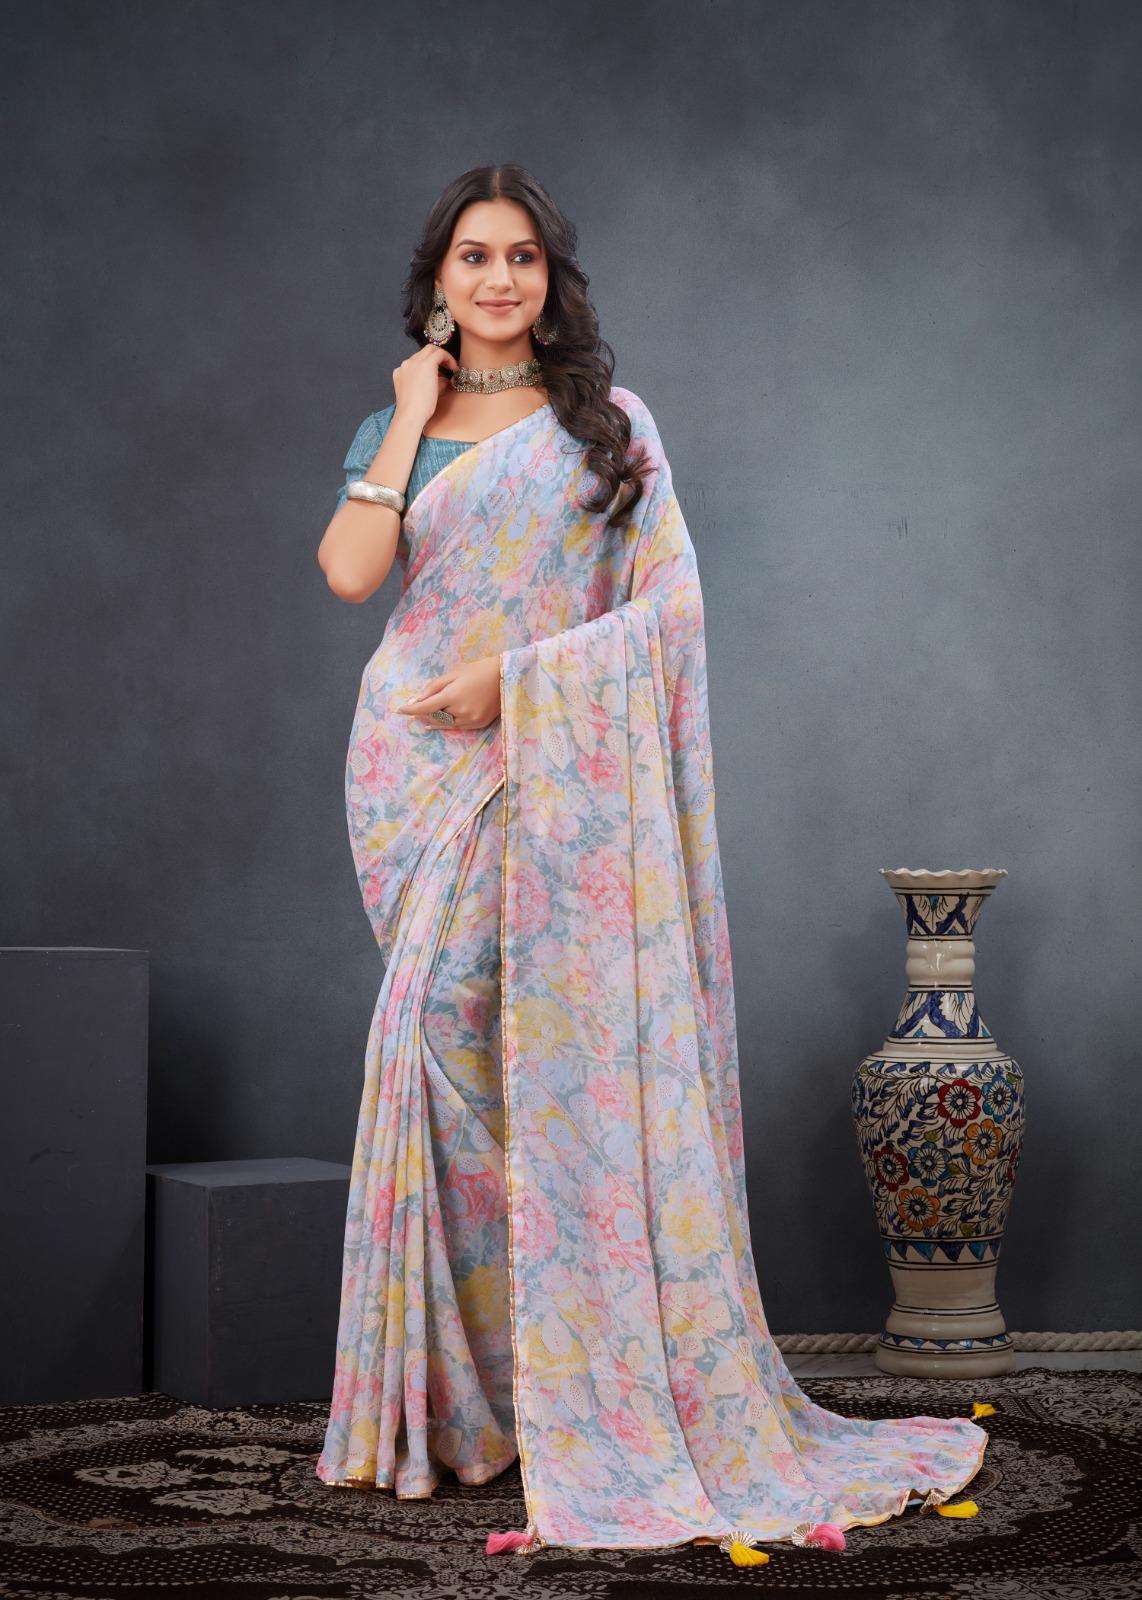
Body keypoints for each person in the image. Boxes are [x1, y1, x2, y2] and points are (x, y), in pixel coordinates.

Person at [313, 163, 989, 1562]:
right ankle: (464, 1413)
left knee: (534, 1070)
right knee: (440, 1058)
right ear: (436, 280)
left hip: (539, 768)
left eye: (522, 258)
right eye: (473, 257)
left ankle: (567, 1394)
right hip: (411, 773)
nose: (499, 279)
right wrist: (412, 415)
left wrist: (520, 681)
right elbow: (349, 573)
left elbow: (670, 614)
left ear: (549, 279)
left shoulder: (608, 426)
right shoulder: (400, 426)